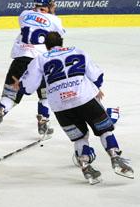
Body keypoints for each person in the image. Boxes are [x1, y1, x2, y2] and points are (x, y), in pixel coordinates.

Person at [15, 32, 133, 184]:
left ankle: (85, 166)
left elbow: (28, 87)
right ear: (62, 42)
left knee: (80, 137)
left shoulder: (40, 59)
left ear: (46, 46)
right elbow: (97, 76)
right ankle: (115, 157)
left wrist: (20, 86)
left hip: (60, 106)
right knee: (104, 130)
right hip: (85, 99)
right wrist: (95, 89)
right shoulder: (78, 51)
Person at [0, 0, 65, 139]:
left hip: (19, 61)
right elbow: (58, 36)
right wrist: (52, 13)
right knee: (45, 95)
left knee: (10, 96)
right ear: (49, 4)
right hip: (39, 62)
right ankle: (43, 124)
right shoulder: (54, 20)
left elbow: (33, 16)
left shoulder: (23, 15)